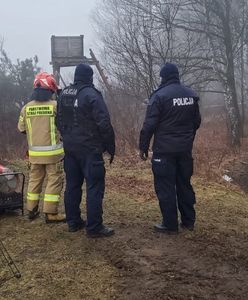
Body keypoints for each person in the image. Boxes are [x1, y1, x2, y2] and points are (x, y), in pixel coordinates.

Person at [139, 63, 201, 234]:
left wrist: (143, 147)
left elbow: (149, 125)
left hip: (164, 151)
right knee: (184, 184)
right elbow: (196, 122)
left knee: (165, 187)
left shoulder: (159, 96)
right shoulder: (191, 95)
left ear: (163, 77)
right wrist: (186, 137)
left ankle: (170, 224)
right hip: (184, 150)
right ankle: (188, 221)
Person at [56, 63, 115, 237]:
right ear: (90, 77)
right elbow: (104, 123)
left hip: (70, 148)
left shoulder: (63, 94)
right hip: (89, 149)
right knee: (94, 186)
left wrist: (67, 136)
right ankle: (94, 227)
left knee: (72, 186)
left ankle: (73, 222)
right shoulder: (92, 95)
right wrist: (110, 147)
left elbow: (58, 120)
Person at [18, 72, 65, 223]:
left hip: (34, 155)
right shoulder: (56, 106)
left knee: (34, 180)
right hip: (54, 155)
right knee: (54, 180)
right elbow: (65, 126)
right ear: (50, 90)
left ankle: (31, 211)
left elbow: (21, 129)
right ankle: (51, 214)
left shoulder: (26, 108)